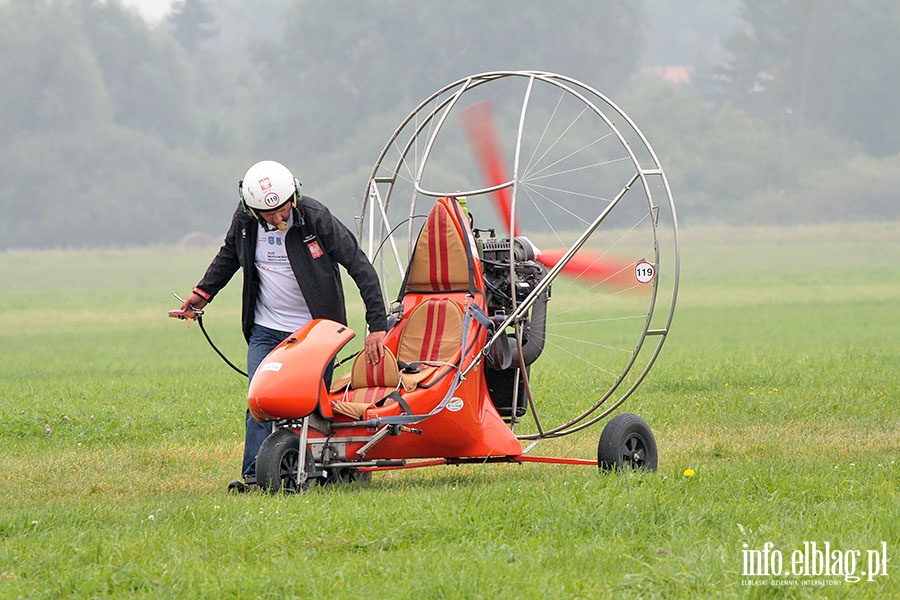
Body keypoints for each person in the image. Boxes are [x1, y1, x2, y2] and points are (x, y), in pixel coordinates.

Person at [178, 160, 387, 492]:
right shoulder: (246, 221)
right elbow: (229, 255)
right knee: (261, 401)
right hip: (266, 328)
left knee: (311, 404)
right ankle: (255, 478)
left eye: (283, 209)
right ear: (252, 209)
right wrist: (202, 294)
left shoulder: (316, 217)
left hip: (316, 332)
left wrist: (377, 324)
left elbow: (359, 266)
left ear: (295, 195)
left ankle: (323, 467)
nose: (278, 218)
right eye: (269, 214)